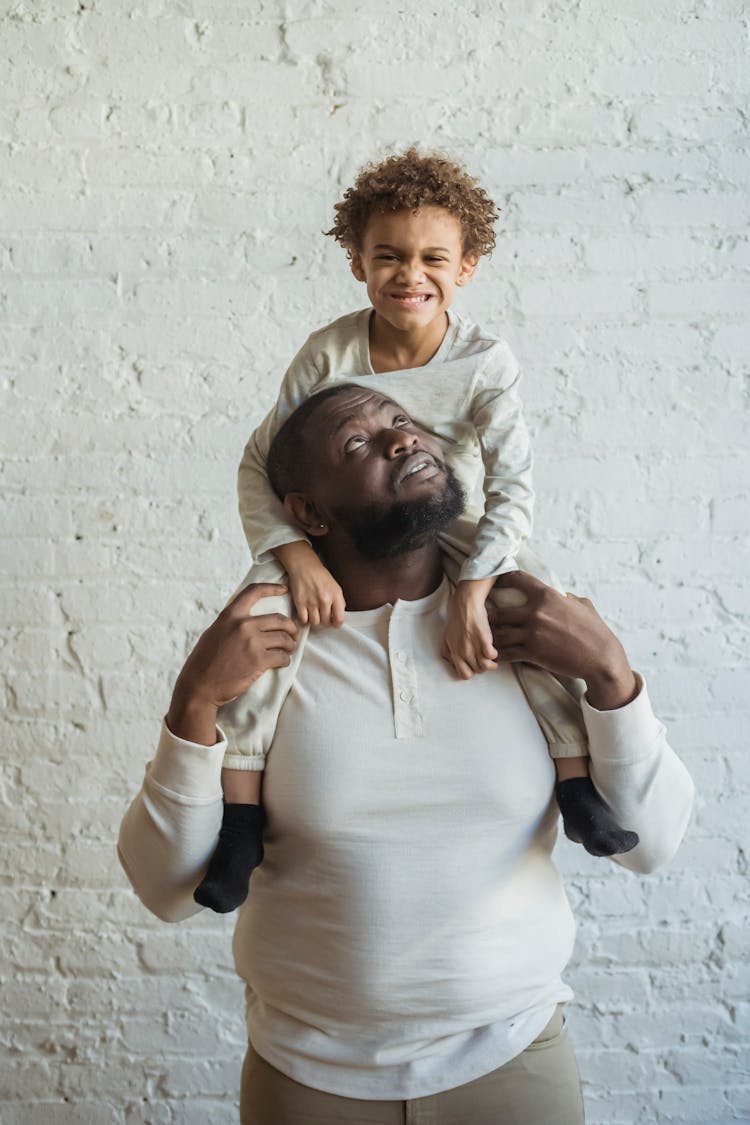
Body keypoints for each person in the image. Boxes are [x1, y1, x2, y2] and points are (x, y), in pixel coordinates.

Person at [118, 383, 694, 1125]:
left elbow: (654, 847)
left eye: (399, 421)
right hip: (308, 1079)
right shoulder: (263, 651)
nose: (398, 439)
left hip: (513, 1061)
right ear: (308, 512)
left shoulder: (527, 626)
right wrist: (192, 702)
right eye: (355, 443)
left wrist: (613, 675)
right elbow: (165, 889)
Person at [195, 148, 638, 913]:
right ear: (358, 261)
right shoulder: (328, 354)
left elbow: (512, 482)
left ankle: (575, 782)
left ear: (465, 266)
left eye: (434, 257)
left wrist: (474, 587)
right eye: (389, 256)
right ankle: (241, 812)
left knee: (534, 617)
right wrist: (294, 554)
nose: (411, 275)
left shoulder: (483, 362)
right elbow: (262, 463)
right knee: (260, 624)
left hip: (458, 518)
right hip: (345, 521)